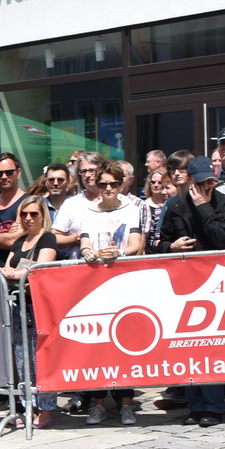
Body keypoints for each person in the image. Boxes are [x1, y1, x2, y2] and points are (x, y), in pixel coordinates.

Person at [157, 158, 225, 426]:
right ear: (190, 180)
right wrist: (172, 246)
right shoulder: (176, 205)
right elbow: (158, 242)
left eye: (210, 181)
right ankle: (195, 404)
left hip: (216, 284)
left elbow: (223, 239)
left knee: (213, 347)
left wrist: (204, 208)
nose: (207, 186)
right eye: (201, 182)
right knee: (188, 347)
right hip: (184, 284)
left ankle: (214, 406)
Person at [76, 161, 146, 427]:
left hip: (124, 282)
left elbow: (137, 243)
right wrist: (87, 252)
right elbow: (84, 240)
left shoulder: (131, 209)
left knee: (125, 345)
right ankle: (97, 403)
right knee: (96, 346)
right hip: (95, 283)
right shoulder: (88, 211)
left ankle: (127, 404)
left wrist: (121, 253)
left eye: (113, 184)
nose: (107, 188)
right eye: (102, 183)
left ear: (121, 184)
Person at [0, 196, 60, 428]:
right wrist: (11, 272)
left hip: (40, 307)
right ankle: (28, 406)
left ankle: (45, 408)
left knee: (41, 357)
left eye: (34, 214)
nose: (28, 218)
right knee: (22, 359)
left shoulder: (47, 238)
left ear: (43, 215)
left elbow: (39, 269)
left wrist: (13, 273)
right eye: (24, 214)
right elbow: (7, 268)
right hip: (19, 306)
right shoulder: (19, 241)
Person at [51, 151, 108, 258]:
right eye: (83, 171)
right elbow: (55, 237)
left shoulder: (118, 201)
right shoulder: (71, 204)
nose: (87, 175)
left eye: (92, 170)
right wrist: (78, 239)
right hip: (81, 267)